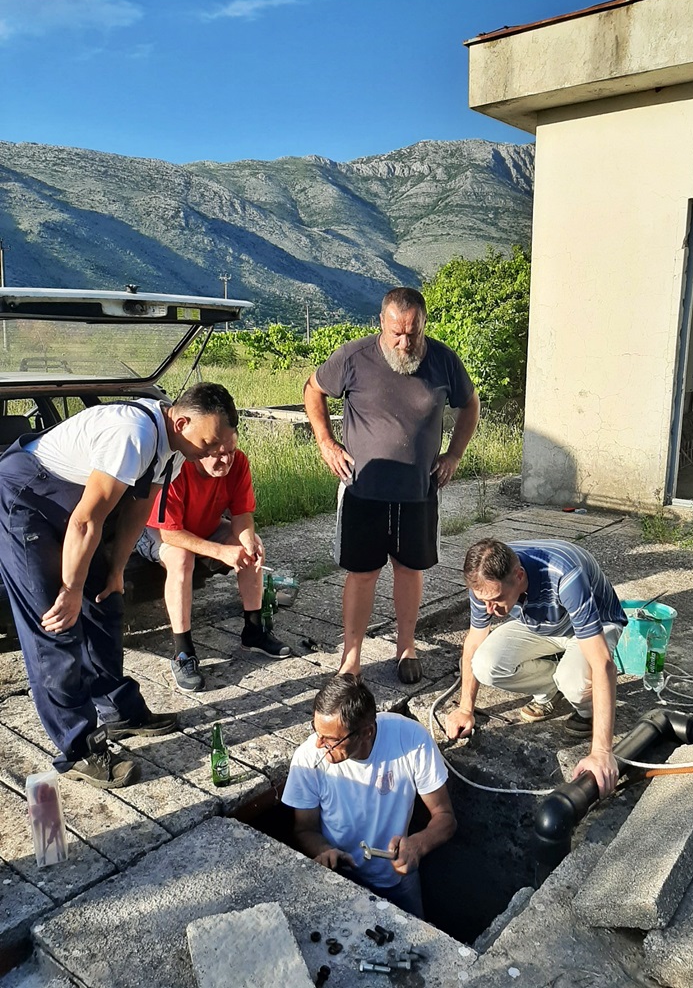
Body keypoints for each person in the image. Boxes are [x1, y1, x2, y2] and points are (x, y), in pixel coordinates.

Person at [0, 382, 239, 789]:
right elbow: (86, 521)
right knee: (55, 625)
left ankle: (118, 709)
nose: (215, 453)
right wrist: (70, 589)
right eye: (210, 443)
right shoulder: (134, 433)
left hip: (70, 509)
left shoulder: (173, 448)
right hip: (24, 500)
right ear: (182, 422)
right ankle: (79, 749)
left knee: (105, 602)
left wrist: (116, 569)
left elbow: (138, 508)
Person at [304, 287, 480, 683]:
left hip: (418, 491)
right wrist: (325, 441)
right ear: (381, 323)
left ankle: (406, 647)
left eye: (413, 334)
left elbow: (471, 404)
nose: (404, 343)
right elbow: (312, 389)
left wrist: (454, 454)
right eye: (397, 333)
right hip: (362, 489)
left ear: (424, 325)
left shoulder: (444, 361)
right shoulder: (353, 357)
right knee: (362, 573)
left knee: (409, 569)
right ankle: (351, 658)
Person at [445, 538, 627, 797]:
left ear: (519, 576)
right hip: (542, 624)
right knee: (485, 664)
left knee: (574, 683)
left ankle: (587, 709)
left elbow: (602, 662)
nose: (489, 609)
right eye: (483, 601)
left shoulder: (565, 575)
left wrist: (601, 753)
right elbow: (474, 641)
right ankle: (551, 686)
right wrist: (465, 709)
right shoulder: (485, 580)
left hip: (595, 625)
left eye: (496, 600)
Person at [282, 674, 456, 918]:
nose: (319, 744)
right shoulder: (308, 757)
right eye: (316, 731)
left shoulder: (410, 739)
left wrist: (418, 845)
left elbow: (445, 817)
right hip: (341, 879)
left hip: (397, 879)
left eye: (331, 739)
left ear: (367, 732)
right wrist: (324, 850)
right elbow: (304, 829)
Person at [135, 438, 292, 693]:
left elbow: (242, 515)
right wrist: (220, 551)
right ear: (199, 452)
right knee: (181, 558)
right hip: (158, 531)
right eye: (219, 454)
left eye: (231, 452)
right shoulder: (176, 467)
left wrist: (247, 543)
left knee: (252, 544)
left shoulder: (238, 463)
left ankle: (254, 631)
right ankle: (183, 653)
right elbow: (171, 533)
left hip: (204, 525)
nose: (227, 460)